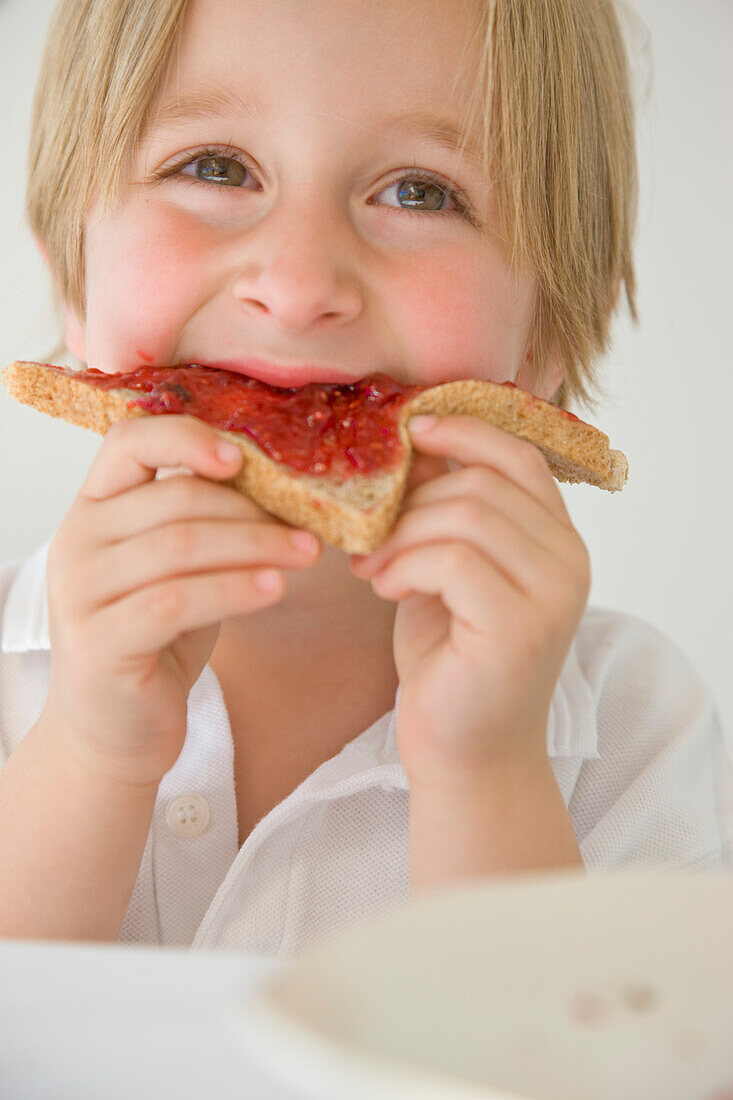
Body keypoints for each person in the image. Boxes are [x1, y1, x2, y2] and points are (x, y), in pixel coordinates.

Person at [0, 0, 729, 957]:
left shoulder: (638, 728)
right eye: (214, 167)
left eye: (419, 191)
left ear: (546, 332)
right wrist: (91, 753)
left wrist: (487, 774)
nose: (299, 284)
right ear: (74, 282)